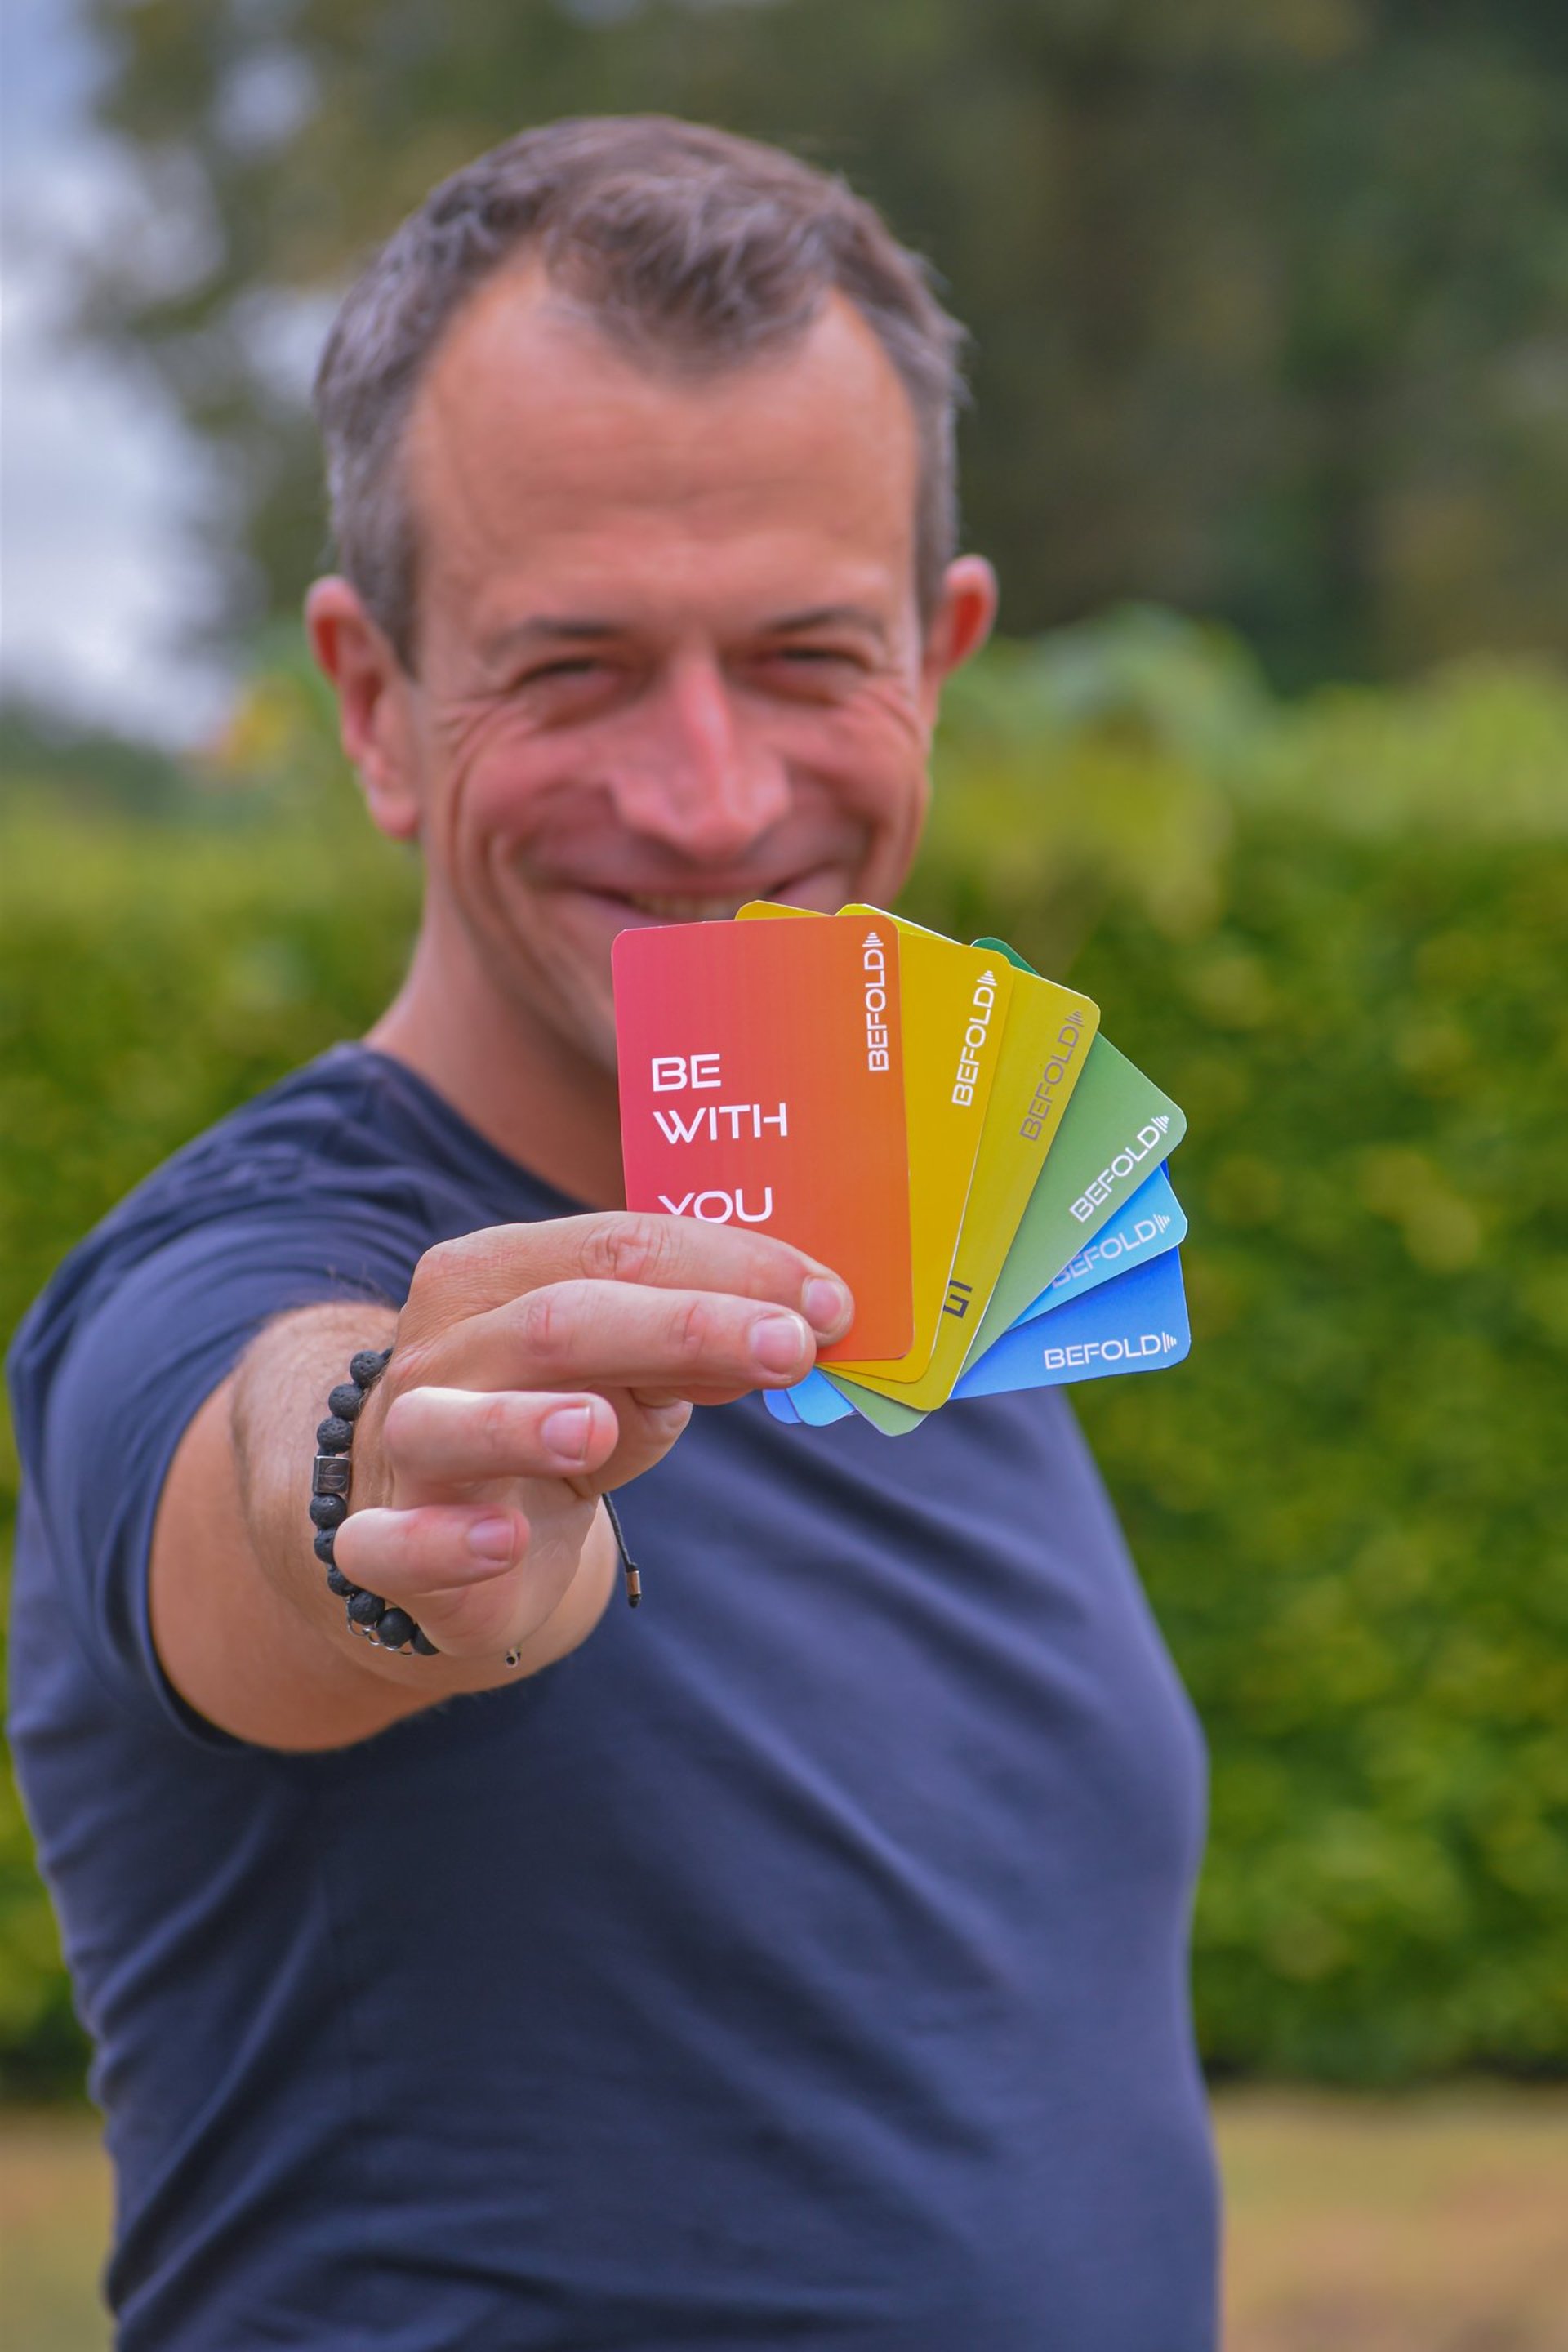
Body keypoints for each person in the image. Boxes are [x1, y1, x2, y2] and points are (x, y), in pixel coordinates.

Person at [7, 117, 1217, 2350]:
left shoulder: (928, 1223)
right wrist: (396, 1487)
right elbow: (275, 1467)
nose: (709, 795)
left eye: (800, 654)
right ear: (375, 704)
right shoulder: (238, 1267)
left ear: (936, 656)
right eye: (572, 670)